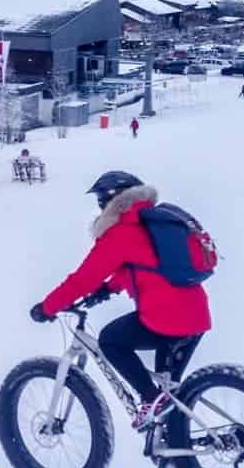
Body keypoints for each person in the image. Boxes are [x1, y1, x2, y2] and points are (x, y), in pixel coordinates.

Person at [30, 171, 210, 430]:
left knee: (111, 340)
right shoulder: (151, 224)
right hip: (195, 316)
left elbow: (82, 280)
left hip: (166, 319)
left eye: (100, 201)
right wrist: (108, 288)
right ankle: (176, 454)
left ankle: (150, 400)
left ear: (109, 201)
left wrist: (47, 308)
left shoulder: (121, 233)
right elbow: (142, 267)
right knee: (169, 398)